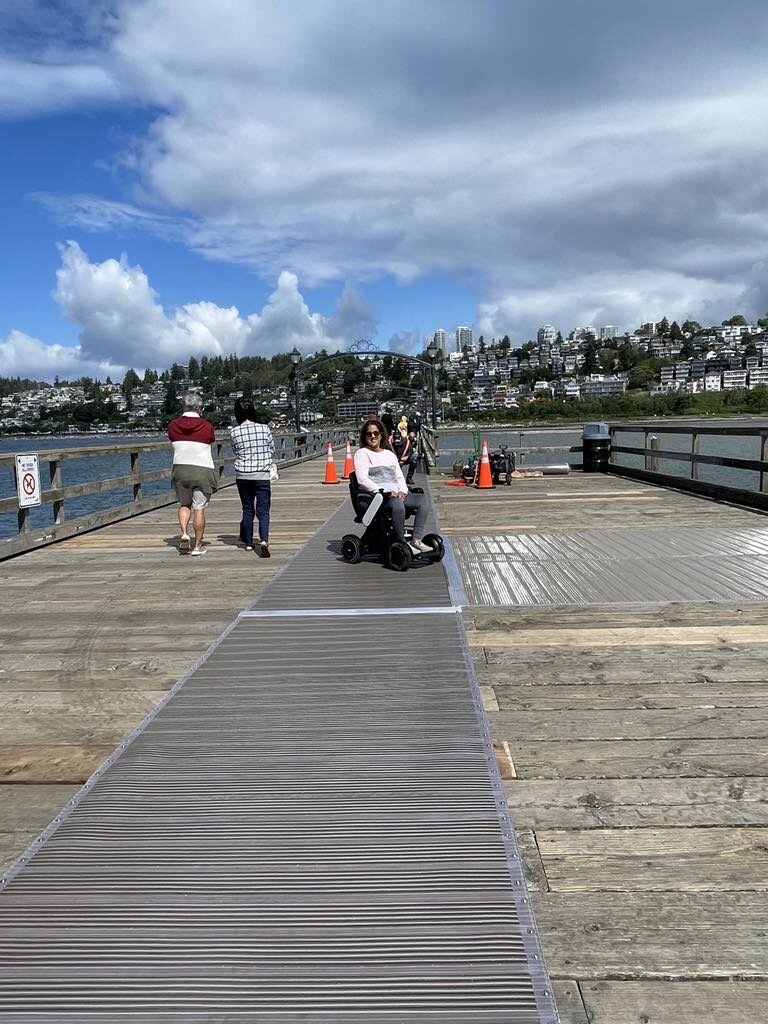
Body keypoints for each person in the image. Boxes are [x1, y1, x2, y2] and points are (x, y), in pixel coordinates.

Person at [353, 416, 431, 555]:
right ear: (364, 436)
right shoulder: (362, 453)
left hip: (395, 494)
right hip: (375, 497)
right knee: (397, 504)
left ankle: (416, 540)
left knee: (422, 500)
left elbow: (399, 476)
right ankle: (401, 542)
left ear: (381, 434)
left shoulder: (389, 454)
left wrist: (403, 490)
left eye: (376, 433)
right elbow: (362, 479)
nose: (372, 436)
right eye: (369, 434)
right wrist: (384, 491)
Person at [168, 392, 218, 556]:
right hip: (202, 470)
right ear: (197, 407)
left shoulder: (173, 425)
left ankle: (184, 533)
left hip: (180, 469)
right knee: (199, 508)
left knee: (184, 504)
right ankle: (197, 546)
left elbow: (173, 439)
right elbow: (211, 439)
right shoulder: (207, 426)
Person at [229, 398, 274, 557]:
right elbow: (271, 448)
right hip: (261, 474)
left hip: (243, 475)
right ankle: (263, 540)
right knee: (263, 510)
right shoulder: (264, 429)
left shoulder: (234, 432)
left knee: (248, 509)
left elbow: (235, 451)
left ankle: (248, 543)